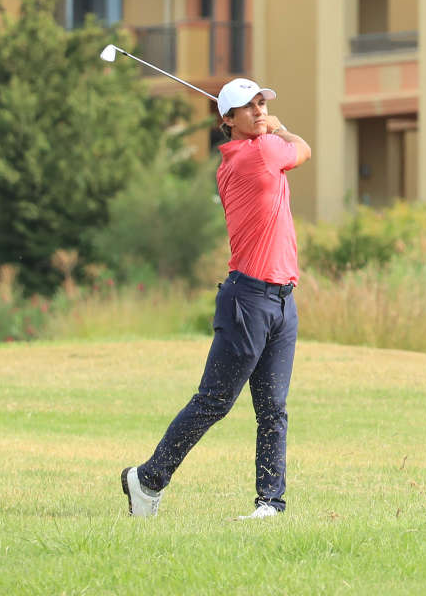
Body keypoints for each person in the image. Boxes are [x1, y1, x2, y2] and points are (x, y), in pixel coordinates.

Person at [121, 76, 311, 520]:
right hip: (249, 300)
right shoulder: (259, 153)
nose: (260, 111)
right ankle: (147, 480)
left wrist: (270, 128)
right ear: (228, 119)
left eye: (263, 103)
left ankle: (270, 504)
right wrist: (282, 130)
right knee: (213, 402)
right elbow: (303, 149)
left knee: (273, 409)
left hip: (282, 300)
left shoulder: (248, 151)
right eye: (249, 107)